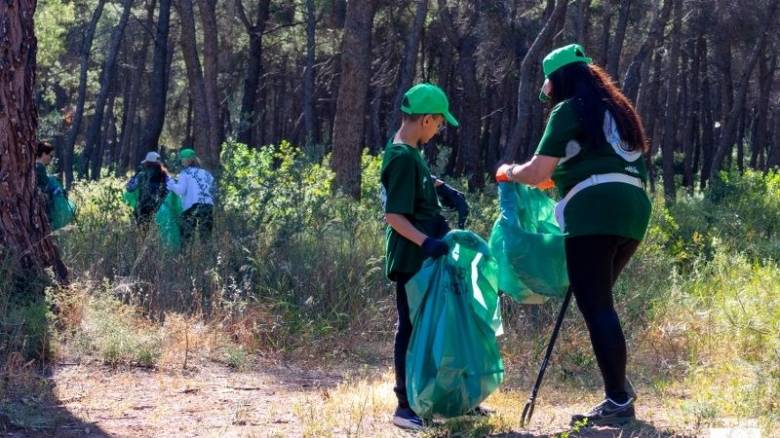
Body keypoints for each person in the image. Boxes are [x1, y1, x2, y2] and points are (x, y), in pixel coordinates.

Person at [496, 44, 651, 427]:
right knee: (600, 302)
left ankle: (617, 400)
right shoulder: (617, 111)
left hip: (593, 211)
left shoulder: (570, 109)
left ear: (560, 80)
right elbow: (565, 170)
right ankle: (620, 387)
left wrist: (508, 171)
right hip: (632, 209)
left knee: (596, 305)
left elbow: (535, 173)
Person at [382, 83, 488, 430]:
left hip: (428, 257)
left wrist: (442, 188)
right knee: (411, 331)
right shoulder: (400, 156)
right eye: (440, 123)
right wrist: (426, 242)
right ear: (426, 119)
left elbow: (419, 176)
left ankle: (447, 397)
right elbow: (394, 216)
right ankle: (405, 407)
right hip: (413, 259)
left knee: (443, 327)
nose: (441, 129)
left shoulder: (412, 153)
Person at [165, 148, 215, 242]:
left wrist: (171, 184)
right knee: (206, 239)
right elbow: (213, 190)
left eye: (182, 159)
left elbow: (180, 191)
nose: (181, 161)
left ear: (187, 160)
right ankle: (206, 256)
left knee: (186, 237)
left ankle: (186, 256)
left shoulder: (185, 173)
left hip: (192, 207)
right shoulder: (207, 174)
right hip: (208, 206)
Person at [126, 151, 169, 226]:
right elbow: (168, 191)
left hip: (142, 208)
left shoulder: (142, 174)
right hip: (159, 210)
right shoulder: (165, 175)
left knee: (141, 232)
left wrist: (134, 176)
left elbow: (129, 188)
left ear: (147, 162)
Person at [35, 141, 57, 215]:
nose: (51, 159)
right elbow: (44, 186)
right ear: (44, 154)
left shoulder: (35, 165)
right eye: (51, 156)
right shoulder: (40, 167)